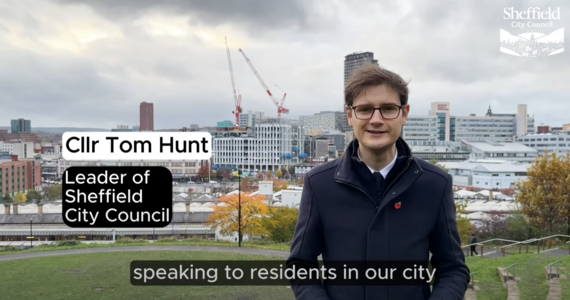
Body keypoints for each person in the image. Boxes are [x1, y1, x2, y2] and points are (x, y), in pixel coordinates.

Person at [286, 64, 470, 300]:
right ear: (350, 116)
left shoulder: (435, 184)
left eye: (388, 108)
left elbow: (453, 269)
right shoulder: (320, 183)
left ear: (404, 114)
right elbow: (300, 266)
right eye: (364, 109)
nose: (376, 119)